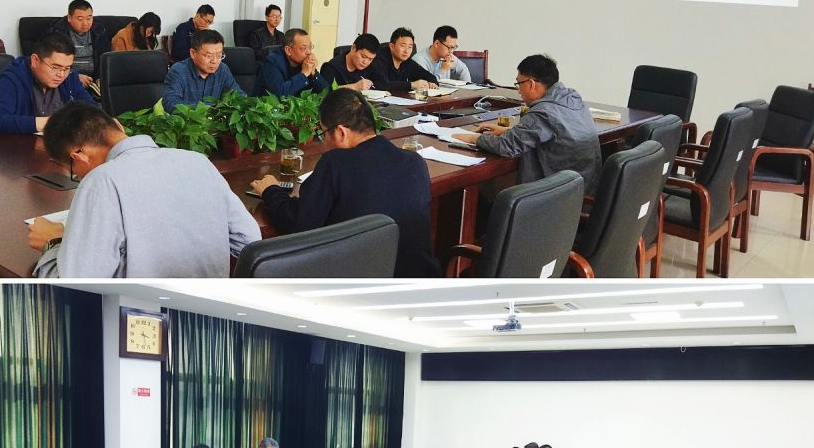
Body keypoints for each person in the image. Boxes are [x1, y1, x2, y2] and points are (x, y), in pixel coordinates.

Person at [29, 104, 260, 278]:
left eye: (73, 171)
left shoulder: (102, 181)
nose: (79, 176)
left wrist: (53, 243)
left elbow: (78, 285)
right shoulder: (198, 161)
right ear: (118, 125)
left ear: (78, 155)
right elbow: (248, 240)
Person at [251, 89, 439, 277]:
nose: (324, 142)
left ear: (341, 132)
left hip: (358, 285)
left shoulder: (336, 163)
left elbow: (298, 223)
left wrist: (271, 190)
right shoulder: (415, 161)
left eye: (324, 133)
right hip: (419, 282)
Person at [456, 54, 601, 193]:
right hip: (583, 187)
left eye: (519, 83)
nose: (518, 90)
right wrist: (509, 131)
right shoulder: (572, 99)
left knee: (491, 194)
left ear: (531, 84)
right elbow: (553, 131)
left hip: (559, 198)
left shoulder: (543, 111)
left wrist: (474, 138)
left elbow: (507, 146)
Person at [0, 32, 93, 134]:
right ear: (35, 60)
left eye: (67, 68)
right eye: (55, 67)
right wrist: (51, 123)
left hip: (63, 144)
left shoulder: (70, 77)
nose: (61, 74)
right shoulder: (13, 78)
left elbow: (93, 111)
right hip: (23, 145)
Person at [161, 29, 245, 112]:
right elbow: (170, 103)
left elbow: (238, 95)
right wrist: (206, 111)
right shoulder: (178, 71)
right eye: (209, 56)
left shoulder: (222, 69)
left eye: (219, 55)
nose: (214, 61)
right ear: (193, 53)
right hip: (188, 120)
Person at [49, 0, 109, 85]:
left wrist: (101, 78)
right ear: (69, 18)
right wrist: (73, 76)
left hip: (93, 80)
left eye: (89, 18)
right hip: (67, 79)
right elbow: (52, 62)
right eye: (80, 19)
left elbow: (105, 57)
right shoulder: (58, 31)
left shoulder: (99, 30)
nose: (85, 23)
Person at [254, 29, 329, 98]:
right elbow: (280, 95)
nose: (309, 52)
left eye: (310, 47)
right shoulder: (272, 62)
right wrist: (304, 74)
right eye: (303, 48)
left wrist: (313, 73)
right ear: (288, 50)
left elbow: (327, 93)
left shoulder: (305, 63)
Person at [368, 28, 435, 92]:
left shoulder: (407, 61)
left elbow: (430, 76)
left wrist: (431, 84)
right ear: (392, 46)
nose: (406, 51)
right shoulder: (380, 59)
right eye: (403, 46)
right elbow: (383, 84)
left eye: (410, 47)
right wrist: (412, 85)